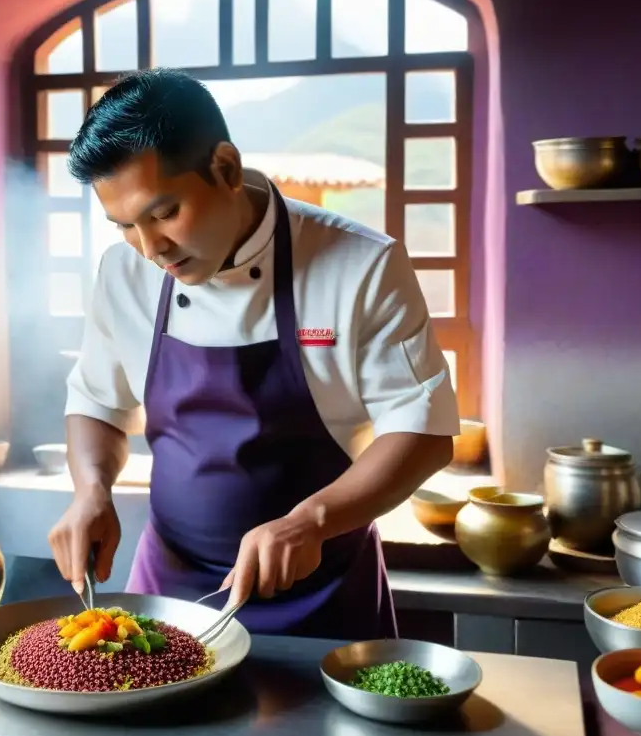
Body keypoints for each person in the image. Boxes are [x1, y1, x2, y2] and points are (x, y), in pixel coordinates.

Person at [47, 68, 458, 641]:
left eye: (164, 214)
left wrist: (310, 522)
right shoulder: (125, 272)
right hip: (170, 593)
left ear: (226, 168)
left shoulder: (360, 265)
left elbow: (423, 430)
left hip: (323, 597)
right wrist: (91, 489)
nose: (151, 248)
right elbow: (97, 402)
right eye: (125, 226)